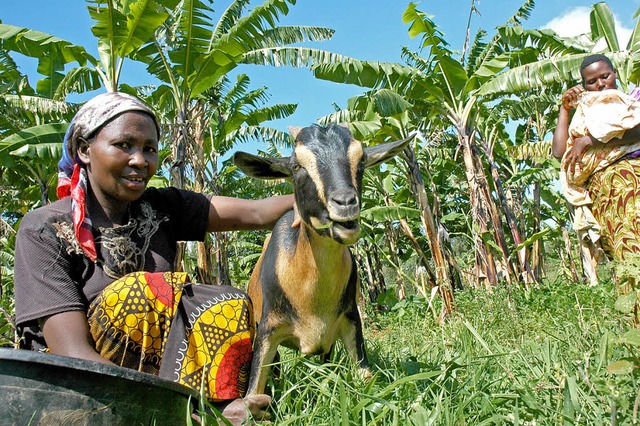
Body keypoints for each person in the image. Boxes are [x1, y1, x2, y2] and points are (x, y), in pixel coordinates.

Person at [13, 91, 296, 424]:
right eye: (124, 145)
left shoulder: (161, 207)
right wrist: (176, 409)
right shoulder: (44, 229)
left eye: (149, 149)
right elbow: (72, 351)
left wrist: (321, 197)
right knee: (136, 293)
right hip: (75, 389)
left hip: (161, 380)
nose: (140, 160)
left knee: (226, 301)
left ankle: (224, 407)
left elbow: (255, 212)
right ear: (84, 150)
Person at [552, 54, 640, 286]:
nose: (601, 84)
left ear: (615, 74)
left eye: (605, 76)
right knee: (623, 257)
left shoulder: (631, 101)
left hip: (631, 186)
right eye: (592, 82)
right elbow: (560, 152)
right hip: (603, 197)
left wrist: (593, 140)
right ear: (584, 86)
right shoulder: (585, 111)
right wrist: (565, 109)